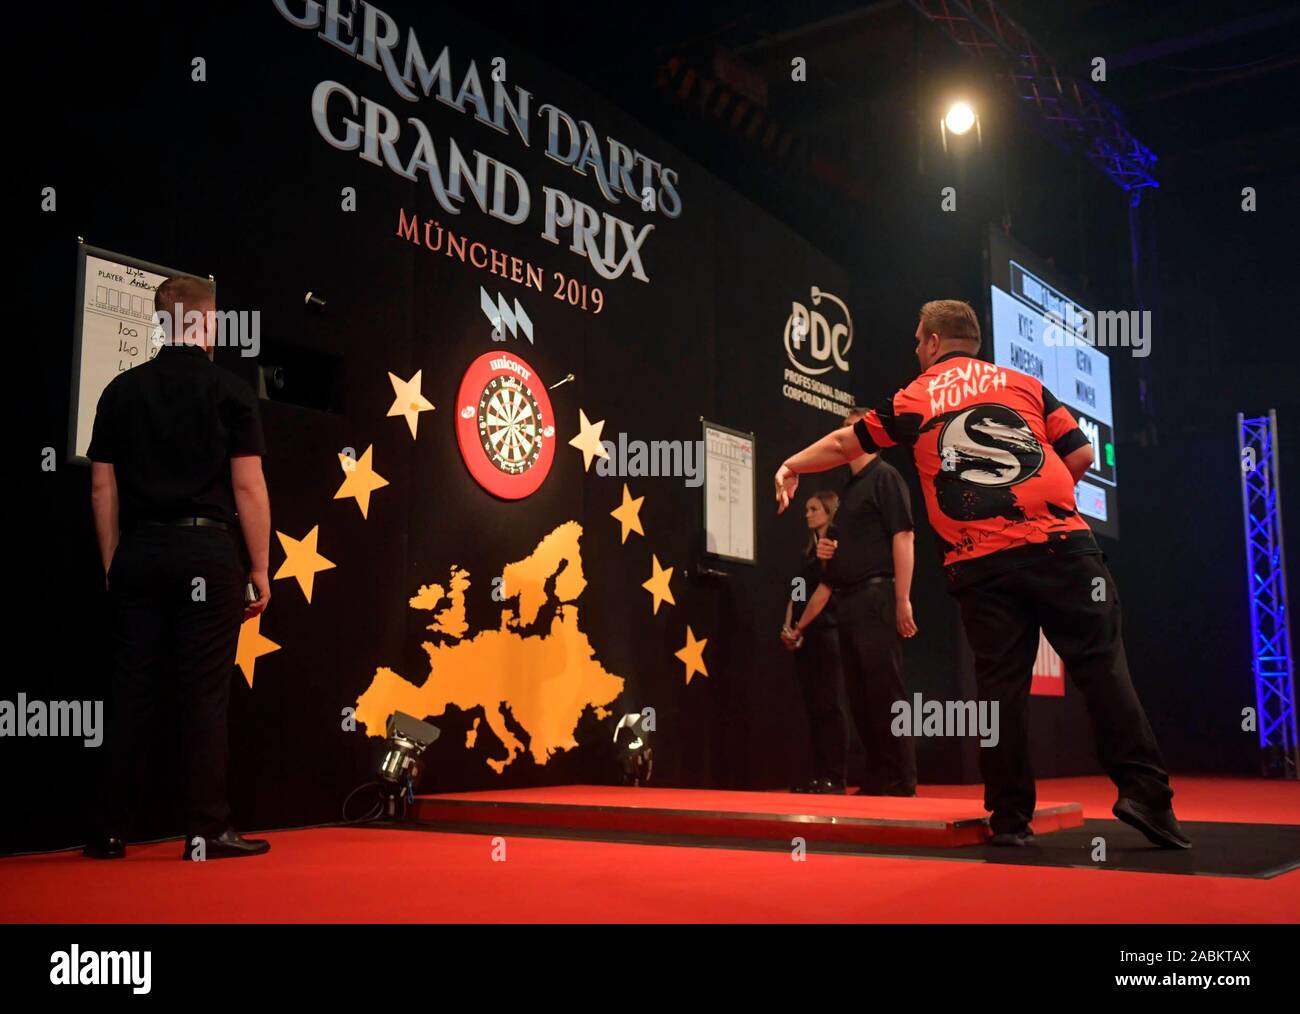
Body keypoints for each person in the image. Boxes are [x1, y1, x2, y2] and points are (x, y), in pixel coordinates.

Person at [774, 299, 1189, 848]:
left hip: (980, 564)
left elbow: (846, 442)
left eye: (919, 340)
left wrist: (791, 465)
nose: (916, 349)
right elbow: (1083, 454)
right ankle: (1149, 800)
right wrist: (1031, 498)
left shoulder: (915, 396)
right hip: (1063, 549)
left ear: (932, 343)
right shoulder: (1024, 384)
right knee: (1104, 670)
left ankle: (1011, 819)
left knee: (1000, 693)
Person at [84, 275, 274, 861]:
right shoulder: (231, 392)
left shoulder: (120, 391)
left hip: (140, 552)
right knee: (204, 695)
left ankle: (111, 831)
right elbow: (248, 486)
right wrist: (261, 568)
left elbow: (101, 488)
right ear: (208, 323)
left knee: (130, 688)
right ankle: (206, 830)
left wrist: (116, 560)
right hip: (206, 552)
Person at [796, 411, 918, 796]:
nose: (842, 439)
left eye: (849, 432)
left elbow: (904, 536)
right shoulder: (848, 491)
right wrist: (828, 551)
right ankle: (879, 774)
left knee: (884, 689)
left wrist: (903, 598)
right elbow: (832, 562)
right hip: (847, 601)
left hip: (876, 595)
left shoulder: (885, 477)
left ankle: (900, 777)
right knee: (860, 694)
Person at [781, 491, 849, 793]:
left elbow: (824, 592)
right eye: (806, 509)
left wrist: (800, 627)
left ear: (828, 512)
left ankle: (835, 775)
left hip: (827, 633)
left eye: (813, 509)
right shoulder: (807, 553)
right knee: (812, 707)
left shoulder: (834, 550)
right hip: (805, 637)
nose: (807, 514)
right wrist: (788, 626)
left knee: (829, 705)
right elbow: (796, 592)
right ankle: (820, 774)